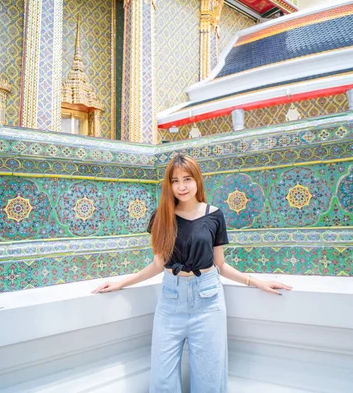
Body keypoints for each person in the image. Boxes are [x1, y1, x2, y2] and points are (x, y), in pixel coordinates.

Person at [92, 154, 292, 392]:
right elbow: (158, 264)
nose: (181, 186)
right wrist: (121, 283)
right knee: (162, 381)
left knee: (209, 380)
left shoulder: (214, 215)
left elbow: (221, 265)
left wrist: (257, 282)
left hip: (208, 302)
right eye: (175, 181)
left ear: (197, 180)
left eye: (187, 179)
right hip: (170, 301)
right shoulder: (161, 216)